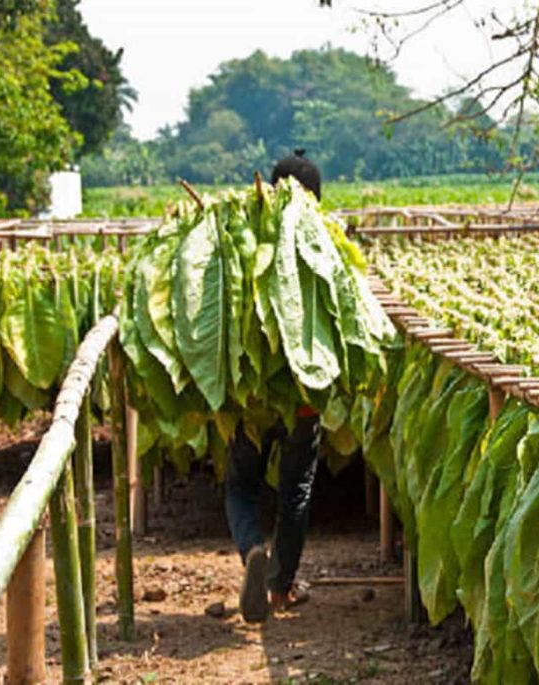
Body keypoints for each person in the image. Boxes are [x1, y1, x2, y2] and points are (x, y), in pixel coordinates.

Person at [227, 149, 323, 623]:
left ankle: (251, 552)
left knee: (242, 485)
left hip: (252, 398)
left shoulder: (240, 239)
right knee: (296, 491)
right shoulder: (327, 246)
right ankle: (281, 588)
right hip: (304, 397)